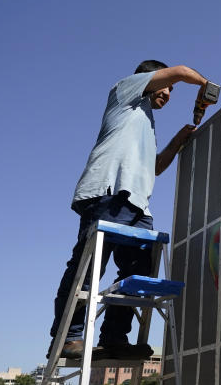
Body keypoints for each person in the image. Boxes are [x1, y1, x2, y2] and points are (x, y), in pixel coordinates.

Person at [48, 60, 212, 361]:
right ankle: (68, 338)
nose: (169, 94)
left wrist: (178, 140)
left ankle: (114, 338)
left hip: (138, 206)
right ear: (149, 79)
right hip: (109, 193)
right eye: (167, 87)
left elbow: (156, 168)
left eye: (173, 90)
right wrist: (204, 86)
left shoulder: (146, 124)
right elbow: (182, 70)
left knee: (137, 273)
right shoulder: (126, 92)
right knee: (88, 269)